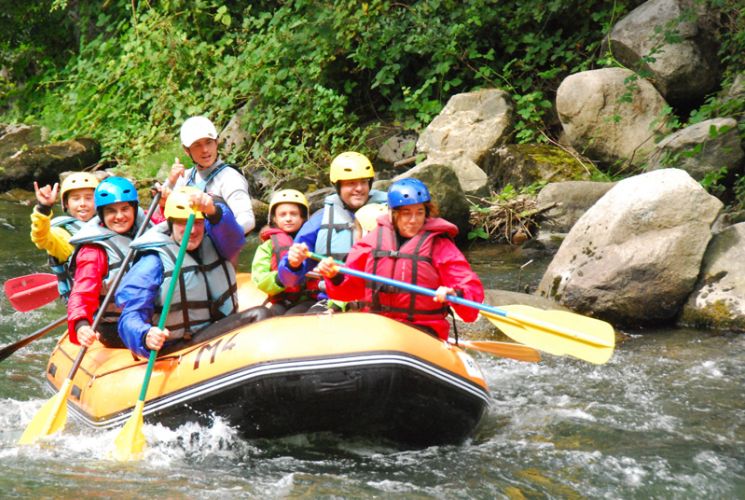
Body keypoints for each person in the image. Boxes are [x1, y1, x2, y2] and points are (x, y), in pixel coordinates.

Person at [314, 178, 485, 340]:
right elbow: (347, 292)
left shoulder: (440, 246)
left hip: (422, 331)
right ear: (393, 214)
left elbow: (469, 295)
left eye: (419, 212)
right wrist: (334, 276)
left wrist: (455, 293)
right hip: (376, 327)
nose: (413, 220)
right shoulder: (372, 242)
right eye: (406, 213)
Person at [115, 186, 246, 358]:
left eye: (197, 223)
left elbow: (235, 240)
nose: (192, 230)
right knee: (257, 315)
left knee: (265, 316)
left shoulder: (216, 243)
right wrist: (145, 335)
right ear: (170, 224)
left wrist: (213, 210)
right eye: (182, 223)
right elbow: (130, 315)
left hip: (214, 334)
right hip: (178, 346)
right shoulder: (153, 261)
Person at [278, 151, 388, 308]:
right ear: (338, 186)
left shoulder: (392, 214)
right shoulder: (320, 221)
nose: (359, 188)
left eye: (363, 182)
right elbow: (290, 280)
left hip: (381, 302)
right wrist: (292, 264)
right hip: (333, 301)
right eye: (351, 183)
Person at [66, 176, 151, 348]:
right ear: (102, 215)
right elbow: (82, 292)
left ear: (134, 209)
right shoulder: (94, 250)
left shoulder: (147, 230)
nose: (119, 216)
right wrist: (81, 324)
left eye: (125, 209)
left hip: (151, 318)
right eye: (111, 211)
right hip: (117, 327)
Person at [163, 116, 255, 235]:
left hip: (215, 246)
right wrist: (170, 182)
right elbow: (161, 212)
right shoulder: (184, 177)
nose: (205, 150)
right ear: (186, 150)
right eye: (197, 145)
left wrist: (230, 238)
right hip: (188, 242)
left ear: (216, 143)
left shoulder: (230, 178)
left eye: (209, 142)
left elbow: (248, 220)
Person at [30, 172, 100, 300]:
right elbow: (40, 238)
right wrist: (43, 208)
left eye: (89, 198)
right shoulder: (60, 233)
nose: (82, 203)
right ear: (66, 204)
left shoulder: (110, 225)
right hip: (81, 305)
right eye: (76, 198)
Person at [251, 189, 318, 315]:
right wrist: (282, 278)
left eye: (293, 214)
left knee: (292, 315)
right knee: (272, 316)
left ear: (303, 217)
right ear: (274, 219)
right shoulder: (268, 245)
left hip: (308, 299)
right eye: (283, 215)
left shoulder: (312, 241)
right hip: (282, 299)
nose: (288, 219)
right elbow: (259, 278)